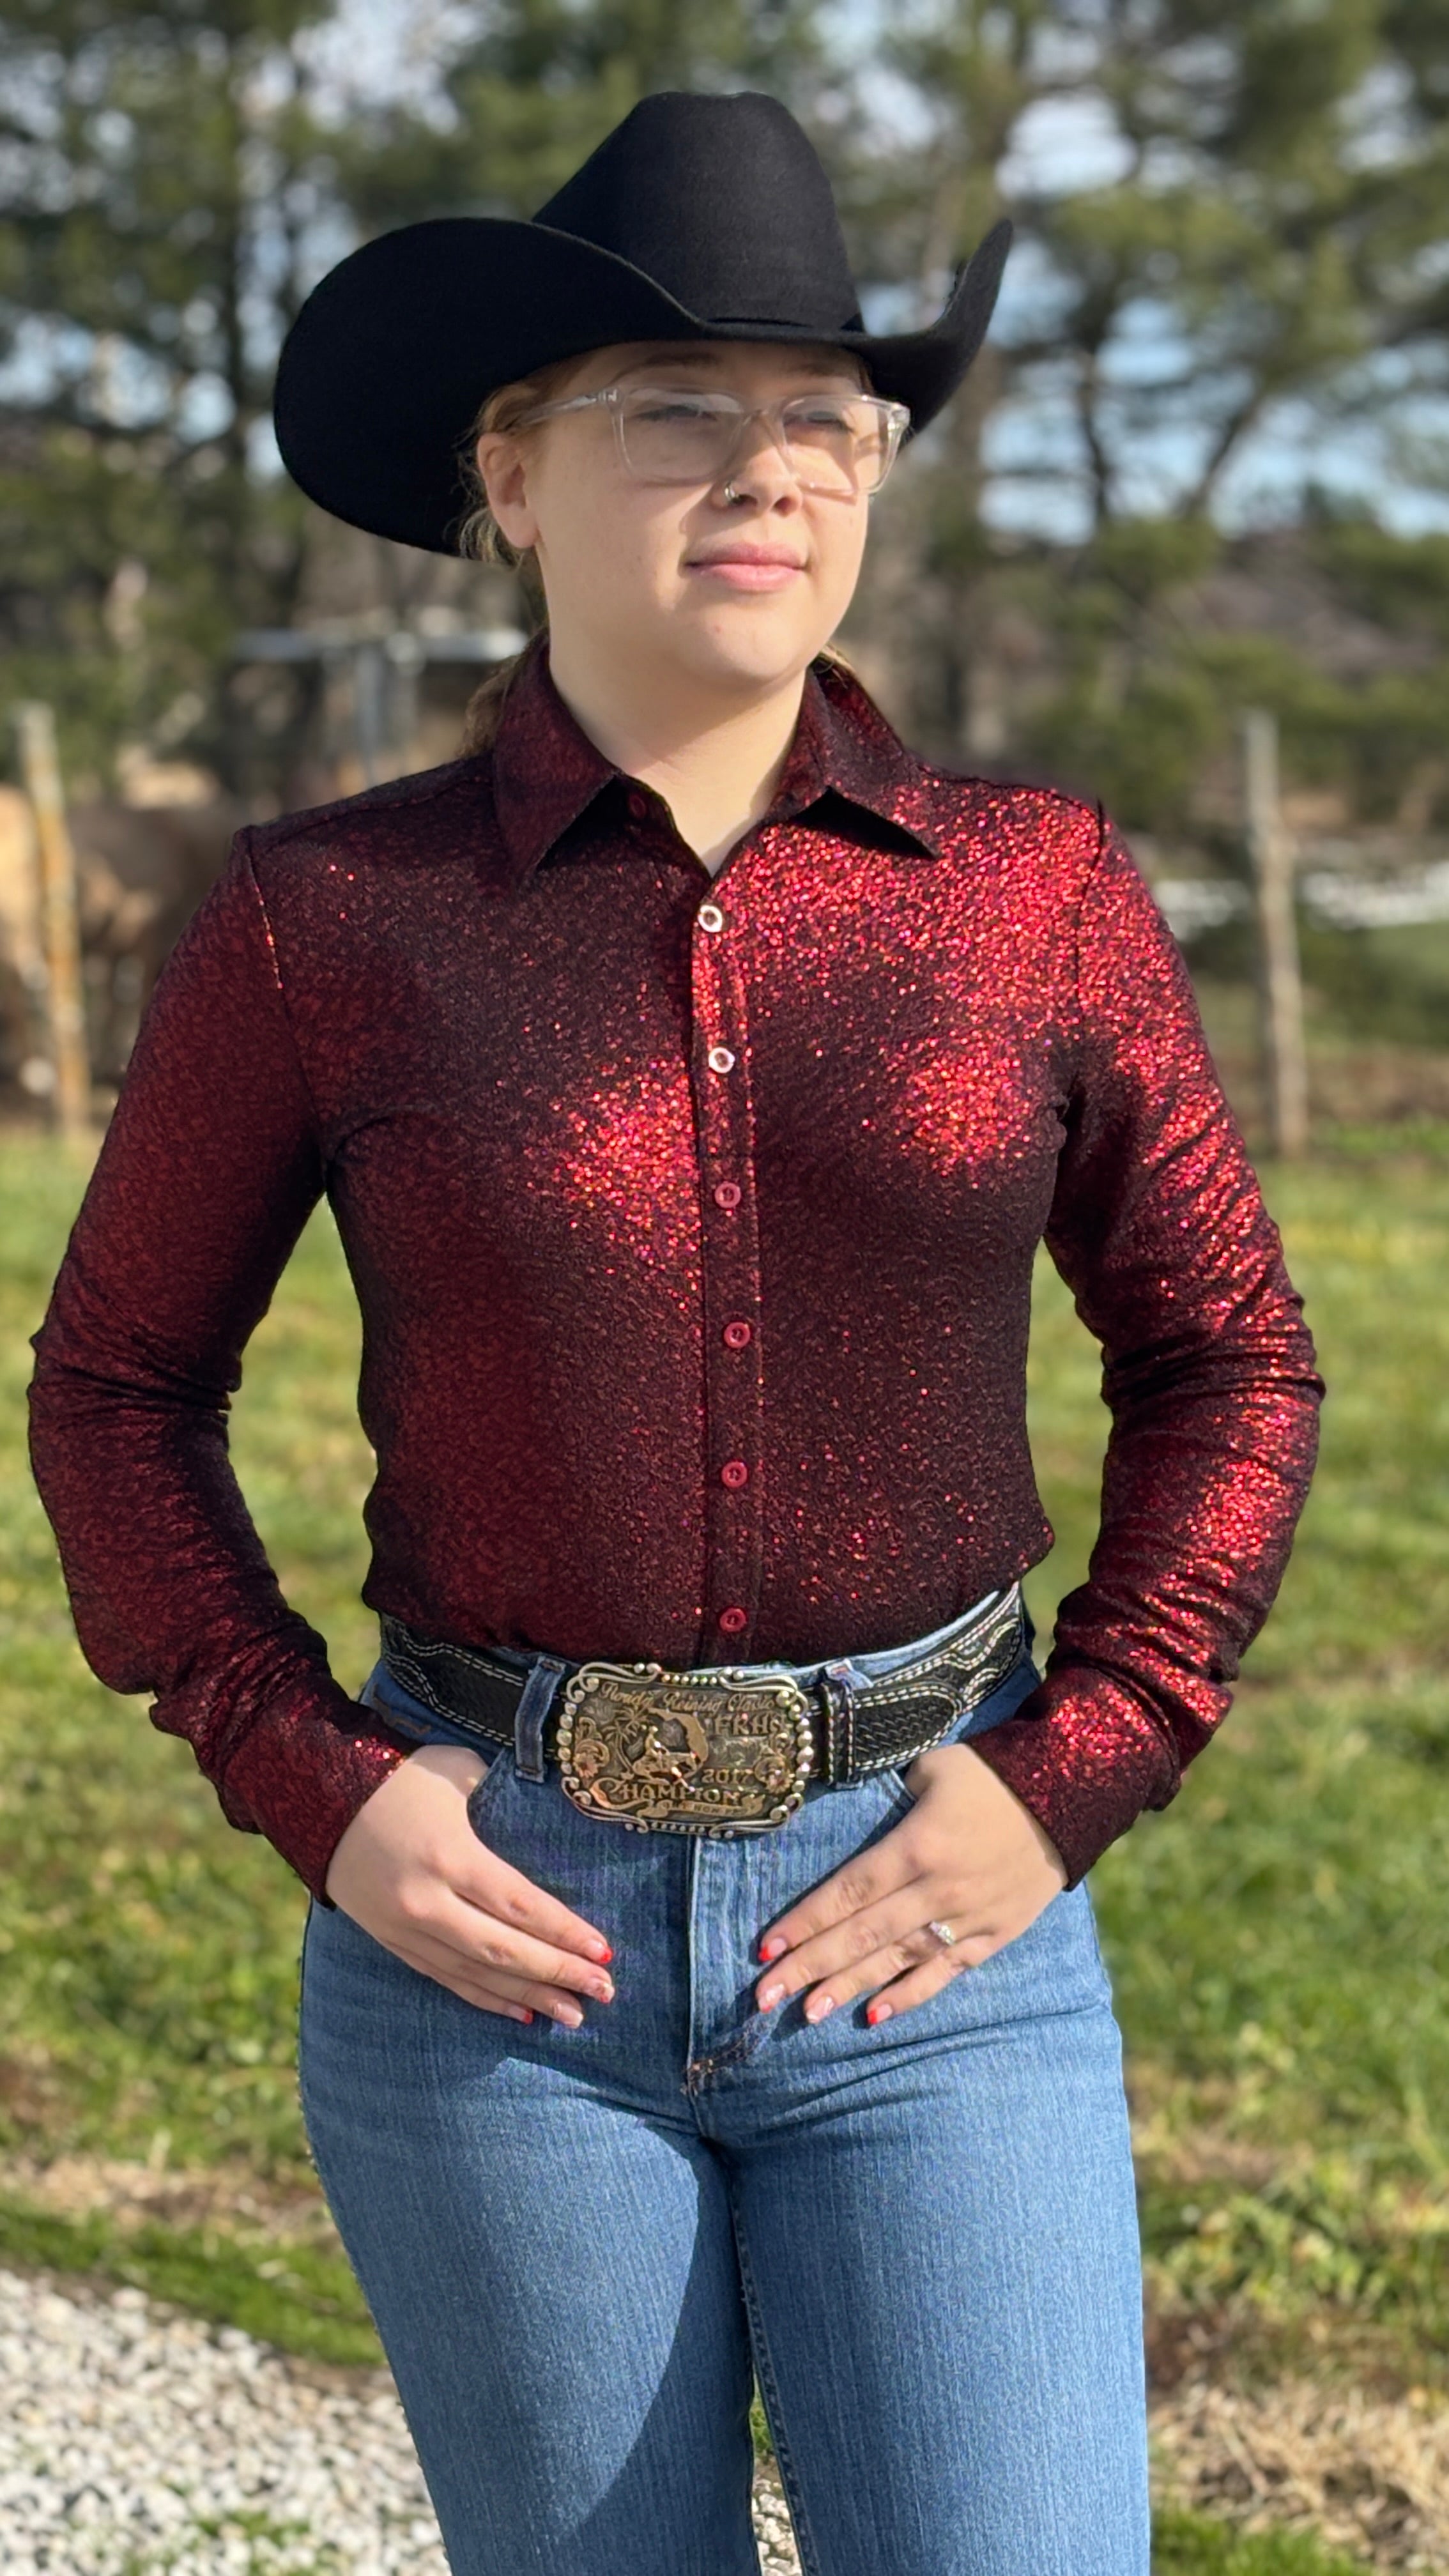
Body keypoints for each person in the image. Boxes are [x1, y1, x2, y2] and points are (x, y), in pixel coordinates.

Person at [27, 88, 1322, 2576]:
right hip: (490, 1942)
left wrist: (1083, 1760)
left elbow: (1228, 1360)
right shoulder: (329, 920)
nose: (771, 470)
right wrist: (307, 1774)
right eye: (676, 411)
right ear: (508, 478)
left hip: (935, 1920)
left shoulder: (1036, 893)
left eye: (827, 419)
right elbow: (113, 1389)